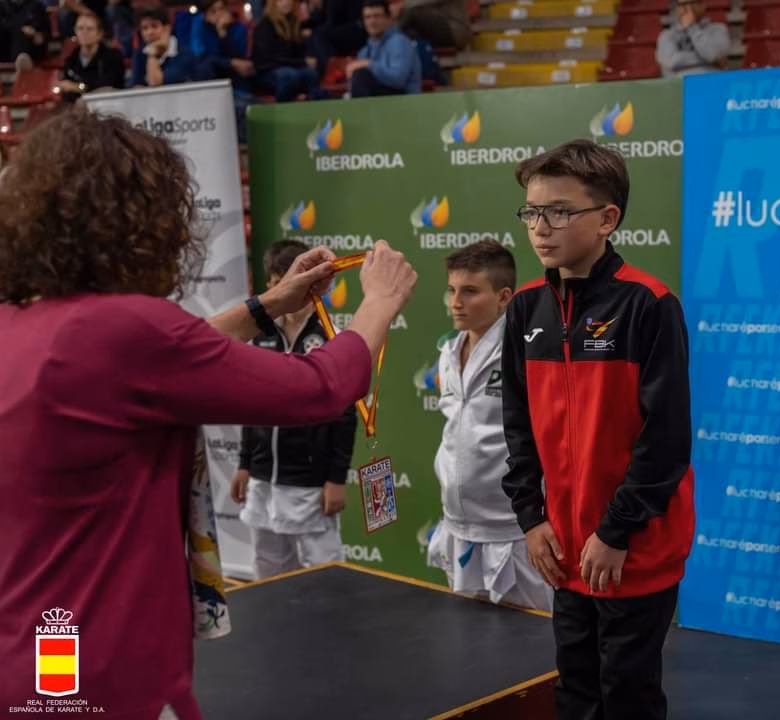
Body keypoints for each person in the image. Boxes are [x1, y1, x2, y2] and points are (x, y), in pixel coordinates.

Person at [0, 106, 417, 719]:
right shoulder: (127, 331)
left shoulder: (22, 324)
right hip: (103, 656)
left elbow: (171, 350)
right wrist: (378, 303)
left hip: (29, 643)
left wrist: (267, 305)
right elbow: (321, 386)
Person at [502, 140, 695, 720]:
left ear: (607, 218)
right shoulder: (526, 307)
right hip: (562, 546)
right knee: (576, 692)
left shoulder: (649, 303)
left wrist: (615, 532)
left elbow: (666, 440)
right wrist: (532, 518)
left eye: (560, 211)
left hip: (631, 548)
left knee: (629, 695)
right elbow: (518, 423)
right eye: (532, 212)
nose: (541, 226)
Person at [426, 240, 552, 612]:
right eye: (452, 289)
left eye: (470, 291)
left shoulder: (526, 350)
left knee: (534, 641)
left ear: (504, 297)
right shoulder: (448, 351)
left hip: (514, 527)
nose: (456, 302)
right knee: (470, 642)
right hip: (459, 523)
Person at [230, 240, 356, 580]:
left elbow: (345, 414)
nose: (275, 292)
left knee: (323, 574)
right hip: (262, 480)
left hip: (309, 484)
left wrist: (335, 478)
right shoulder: (258, 335)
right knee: (267, 574)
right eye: (272, 284)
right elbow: (249, 402)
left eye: (281, 282)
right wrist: (244, 464)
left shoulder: (331, 336)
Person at [346, 0, 420, 97]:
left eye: (377, 16)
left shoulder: (399, 42)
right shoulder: (364, 50)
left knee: (361, 75)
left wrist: (368, 64)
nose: (372, 22)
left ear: (389, 19)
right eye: (367, 17)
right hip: (377, 102)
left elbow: (398, 79)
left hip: (403, 102)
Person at [252, 0, 322, 101]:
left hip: (289, 67)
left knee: (311, 74)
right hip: (267, 70)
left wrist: (305, 59)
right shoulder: (264, 26)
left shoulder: (294, 23)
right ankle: (282, 108)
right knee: (289, 75)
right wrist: (302, 62)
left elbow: (298, 53)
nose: (286, 2)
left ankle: (309, 103)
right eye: (281, 0)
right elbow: (268, 59)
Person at [58, 12, 125, 103]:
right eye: (80, 28)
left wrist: (78, 87)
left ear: (100, 33)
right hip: (77, 111)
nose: (84, 32)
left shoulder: (113, 57)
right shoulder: (71, 59)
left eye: (89, 29)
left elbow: (107, 87)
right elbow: (66, 87)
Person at [655, 0, 729, 77]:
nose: (687, 8)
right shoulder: (667, 35)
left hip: (711, 84)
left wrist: (692, 28)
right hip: (679, 86)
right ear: (677, 9)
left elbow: (712, 54)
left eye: (692, 3)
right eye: (682, 4)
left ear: (702, 5)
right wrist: (709, 61)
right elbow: (671, 61)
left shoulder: (718, 30)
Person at [130, 4, 198, 87]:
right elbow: (135, 85)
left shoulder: (184, 53)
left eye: (154, 26)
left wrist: (153, 55)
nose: (149, 32)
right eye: (145, 28)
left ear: (167, 28)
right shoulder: (140, 53)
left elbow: (155, 82)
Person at [191, 0, 254, 85]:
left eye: (221, 9)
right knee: (204, 67)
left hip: (235, 79)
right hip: (211, 79)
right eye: (213, 11)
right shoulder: (199, 27)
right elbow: (201, 58)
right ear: (205, 15)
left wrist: (222, 33)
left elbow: (240, 61)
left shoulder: (238, 28)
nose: (219, 14)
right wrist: (229, 62)